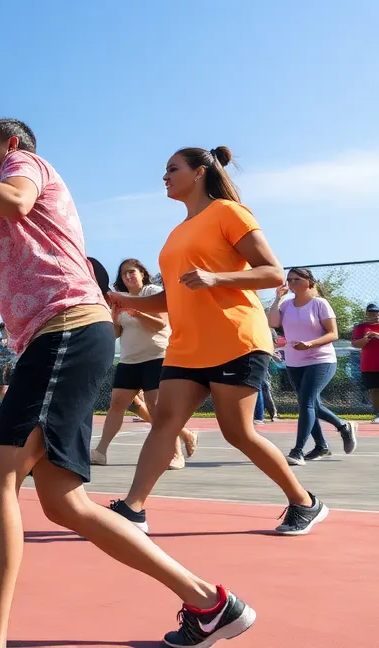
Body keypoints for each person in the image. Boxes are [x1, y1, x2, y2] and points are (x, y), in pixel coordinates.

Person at [0, 121, 255, 648]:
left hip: (66, 329)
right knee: (63, 504)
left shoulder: (22, 169)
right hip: (64, 334)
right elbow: (11, 282)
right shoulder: (1, 200)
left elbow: (18, 202)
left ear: (9, 145)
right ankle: (210, 603)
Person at [108, 146, 326, 539]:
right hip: (186, 345)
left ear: (199, 173)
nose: (164, 176)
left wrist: (217, 278)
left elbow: (273, 273)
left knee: (238, 432)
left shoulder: (230, 213)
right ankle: (133, 509)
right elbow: (173, 296)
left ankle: (305, 503)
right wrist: (125, 301)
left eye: (172, 168)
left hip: (235, 339)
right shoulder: (176, 233)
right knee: (165, 422)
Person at [92, 259, 198, 470]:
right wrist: (114, 318)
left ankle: (176, 454)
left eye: (132, 272)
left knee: (158, 408)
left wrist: (137, 313)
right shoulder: (121, 299)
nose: (128, 277)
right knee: (116, 404)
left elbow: (160, 325)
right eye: (123, 274)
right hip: (129, 360)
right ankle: (100, 452)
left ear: (141, 273)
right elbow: (116, 334)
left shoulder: (152, 292)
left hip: (157, 357)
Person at [268, 269, 357, 463]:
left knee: (306, 402)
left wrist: (310, 344)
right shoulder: (286, 305)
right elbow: (273, 322)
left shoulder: (320, 304)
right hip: (293, 361)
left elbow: (333, 334)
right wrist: (277, 299)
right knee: (310, 403)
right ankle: (331, 438)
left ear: (309, 282)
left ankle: (297, 451)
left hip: (320, 359)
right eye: (289, 280)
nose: (291, 283)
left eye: (296, 280)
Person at [351, 303, 379, 423]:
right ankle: (378, 414)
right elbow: (356, 344)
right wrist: (366, 339)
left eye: (376, 312)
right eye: (371, 313)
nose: (374, 315)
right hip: (369, 365)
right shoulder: (361, 328)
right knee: (374, 389)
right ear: (367, 314)